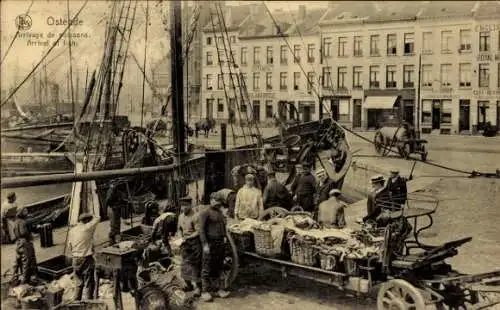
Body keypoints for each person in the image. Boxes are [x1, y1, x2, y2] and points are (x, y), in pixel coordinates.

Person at [199, 193, 230, 302]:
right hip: (210, 243)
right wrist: (205, 244)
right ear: (211, 200)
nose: (217, 204)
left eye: (219, 202)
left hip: (219, 243)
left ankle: (217, 289)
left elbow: (223, 226)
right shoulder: (205, 213)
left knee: (218, 266)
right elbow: (201, 230)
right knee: (207, 267)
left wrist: (225, 237)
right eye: (215, 201)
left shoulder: (220, 213)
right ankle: (205, 291)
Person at [67, 213, 100, 300]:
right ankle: (89, 303)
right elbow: (98, 218)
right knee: (89, 283)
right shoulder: (87, 228)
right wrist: (91, 214)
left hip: (75, 259)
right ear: (87, 221)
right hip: (86, 258)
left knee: (78, 283)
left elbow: (69, 246)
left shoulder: (72, 231)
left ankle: (76, 303)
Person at [177, 197, 202, 296]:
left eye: (186, 206)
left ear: (190, 205)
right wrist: (180, 236)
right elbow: (179, 229)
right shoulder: (180, 216)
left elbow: (198, 231)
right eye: (182, 206)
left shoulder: (195, 216)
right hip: (184, 244)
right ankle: (188, 285)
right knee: (184, 265)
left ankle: (198, 288)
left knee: (195, 266)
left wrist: (188, 237)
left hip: (194, 243)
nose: (184, 208)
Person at [12, 208, 38, 285]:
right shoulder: (23, 222)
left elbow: (14, 233)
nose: (27, 213)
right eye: (25, 211)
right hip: (25, 243)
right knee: (27, 262)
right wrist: (30, 234)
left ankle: (15, 278)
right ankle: (25, 281)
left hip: (18, 243)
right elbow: (24, 232)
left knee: (18, 262)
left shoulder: (15, 222)